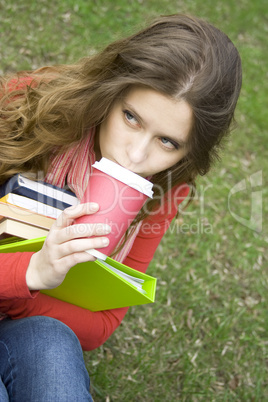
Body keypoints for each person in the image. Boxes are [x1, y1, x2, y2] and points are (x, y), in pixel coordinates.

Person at [0, 13, 242, 401]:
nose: (135, 154)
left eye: (167, 142)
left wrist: (31, 284)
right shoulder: (27, 107)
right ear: (109, 92)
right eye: (131, 117)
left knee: (53, 347)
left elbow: (102, 325)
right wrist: (31, 272)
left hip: (28, 323)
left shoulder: (165, 188)